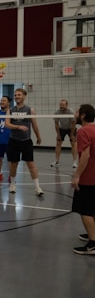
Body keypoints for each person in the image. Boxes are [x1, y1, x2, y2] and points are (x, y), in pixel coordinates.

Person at [5, 88, 43, 196]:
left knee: (31, 164)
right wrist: (18, 126)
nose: (17, 96)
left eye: (19, 95)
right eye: (15, 95)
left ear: (24, 96)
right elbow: (7, 124)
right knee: (14, 164)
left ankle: (37, 187)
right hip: (14, 140)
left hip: (26, 141)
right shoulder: (10, 110)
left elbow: (34, 125)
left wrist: (38, 136)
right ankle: (12, 184)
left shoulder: (30, 110)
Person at [71, 104, 95, 255]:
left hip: (88, 177)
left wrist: (77, 175)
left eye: (77, 111)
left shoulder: (83, 131)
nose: (75, 113)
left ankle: (93, 244)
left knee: (85, 211)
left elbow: (85, 156)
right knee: (93, 209)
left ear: (83, 115)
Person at [51, 99, 78, 168]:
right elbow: (56, 124)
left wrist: (72, 134)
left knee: (73, 143)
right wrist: (58, 134)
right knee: (58, 143)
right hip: (62, 128)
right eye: (60, 105)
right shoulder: (57, 112)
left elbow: (74, 123)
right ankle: (57, 161)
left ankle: (75, 162)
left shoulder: (70, 111)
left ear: (66, 105)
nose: (61, 106)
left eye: (63, 105)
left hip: (71, 128)